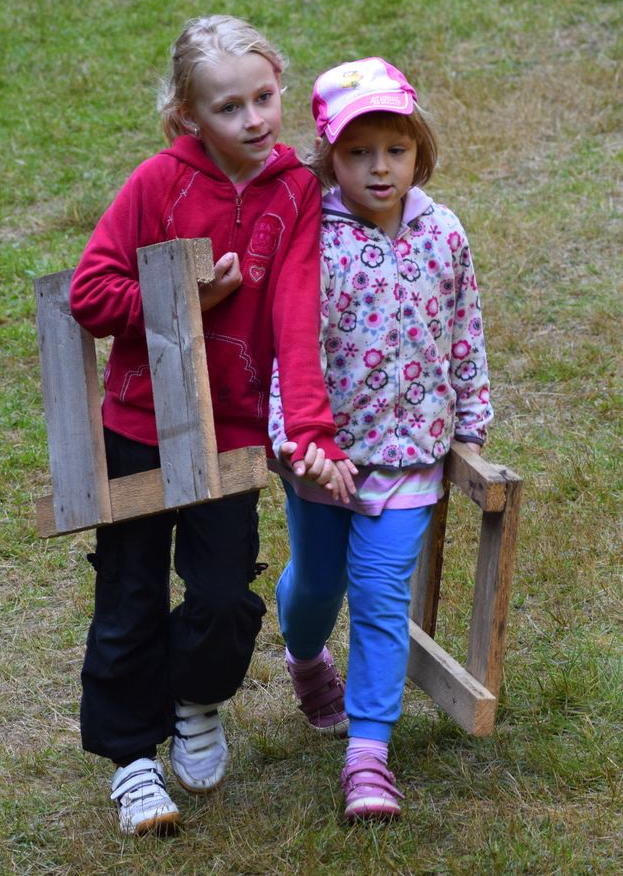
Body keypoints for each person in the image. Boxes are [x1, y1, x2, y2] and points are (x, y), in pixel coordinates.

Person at [69, 15, 349, 836]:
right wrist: (181, 297)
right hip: (139, 421)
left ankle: (196, 700)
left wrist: (308, 427)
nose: (254, 120)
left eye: (264, 97)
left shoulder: (295, 191)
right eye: (229, 108)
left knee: (224, 594)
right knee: (129, 592)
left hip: (232, 429)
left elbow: (296, 313)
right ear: (188, 114)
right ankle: (131, 758)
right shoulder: (158, 182)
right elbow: (90, 293)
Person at [269, 57, 494, 822]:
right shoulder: (316, 241)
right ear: (329, 155)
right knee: (318, 586)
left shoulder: (444, 233)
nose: (379, 168)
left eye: (396, 150)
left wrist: (471, 421)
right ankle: (305, 656)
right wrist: (296, 441)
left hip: (410, 458)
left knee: (378, 594)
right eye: (359, 152)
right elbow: (290, 346)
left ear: (418, 149)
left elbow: (464, 329)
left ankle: (368, 756)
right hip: (325, 460)